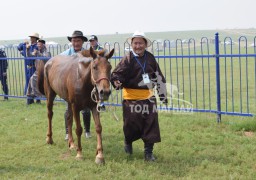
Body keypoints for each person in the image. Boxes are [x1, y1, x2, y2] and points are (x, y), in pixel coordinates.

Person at [111, 30, 168, 161]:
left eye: (140, 43)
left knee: (151, 123)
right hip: (131, 99)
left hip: (148, 98)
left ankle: (148, 153)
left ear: (145, 44)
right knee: (131, 126)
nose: (138, 46)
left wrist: (162, 95)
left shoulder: (150, 58)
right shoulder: (127, 59)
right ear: (132, 44)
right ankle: (128, 141)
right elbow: (116, 74)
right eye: (135, 43)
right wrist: (117, 81)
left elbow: (158, 76)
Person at [60, 30, 92, 140]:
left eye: (78, 40)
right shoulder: (64, 55)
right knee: (68, 109)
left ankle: (87, 131)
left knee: (86, 109)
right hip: (70, 88)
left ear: (82, 42)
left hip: (84, 89)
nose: (76, 43)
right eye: (74, 40)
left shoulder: (88, 54)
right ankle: (67, 132)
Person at [26, 39, 51, 103]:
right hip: (38, 71)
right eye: (38, 44)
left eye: (40, 44)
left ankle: (37, 95)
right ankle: (31, 95)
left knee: (33, 80)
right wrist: (27, 50)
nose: (38, 45)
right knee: (31, 80)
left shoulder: (47, 52)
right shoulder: (37, 51)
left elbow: (46, 59)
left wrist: (38, 53)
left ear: (43, 45)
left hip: (44, 71)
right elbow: (30, 56)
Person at [17, 33, 39, 104]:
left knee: (34, 83)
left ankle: (37, 99)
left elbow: (32, 55)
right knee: (28, 83)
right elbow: (18, 47)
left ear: (35, 38)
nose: (30, 38)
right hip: (28, 68)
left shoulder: (36, 46)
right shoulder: (28, 45)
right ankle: (30, 100)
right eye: (30, 37)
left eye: (32, 37)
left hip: (34, 67)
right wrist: (24, 43)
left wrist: (25, 52)